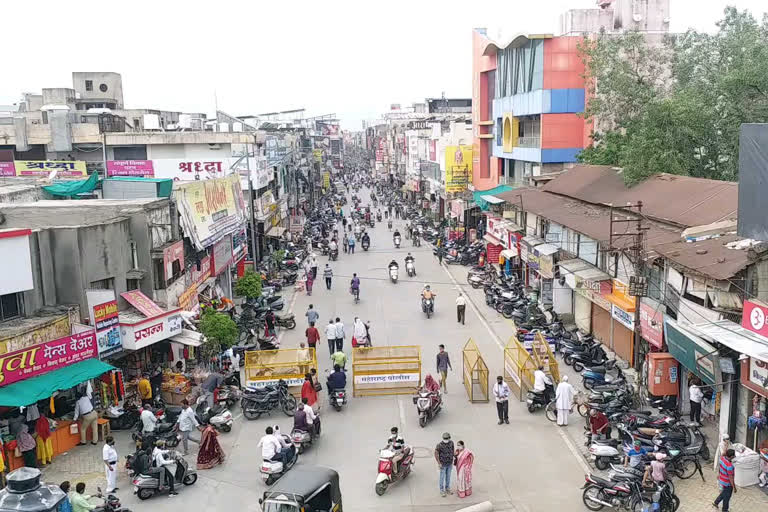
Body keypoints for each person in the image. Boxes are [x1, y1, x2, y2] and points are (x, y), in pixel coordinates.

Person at [435, 432, 454, 497]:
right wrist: (439, 463)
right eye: (445, 438)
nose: (446, 439)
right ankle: (441, 490)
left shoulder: (451, 443)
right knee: (442, 477)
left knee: (448, 477)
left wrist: (453, 459)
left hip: (449, 464)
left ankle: (447, 488)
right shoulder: (439, 445)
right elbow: (436, 454)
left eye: (447, 438)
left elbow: (452, 451)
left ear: (449, 438)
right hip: (443, 464)